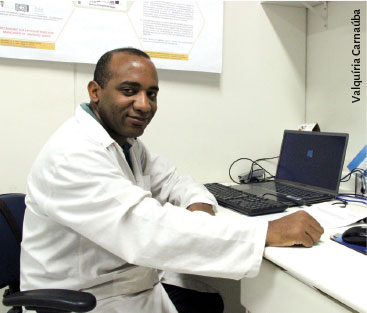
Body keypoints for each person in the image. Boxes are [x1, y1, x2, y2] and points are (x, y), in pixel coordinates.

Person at [20, 47, 324, 313]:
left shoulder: (127, 145)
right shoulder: (73, 154)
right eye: (129, 90)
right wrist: (265, 231)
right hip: (87, 300)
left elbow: (176, 181)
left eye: (151, 94)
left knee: (210, 299)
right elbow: (144, 228)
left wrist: (200, 206)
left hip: (128, 288)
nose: (144, 104)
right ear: (95, 92)